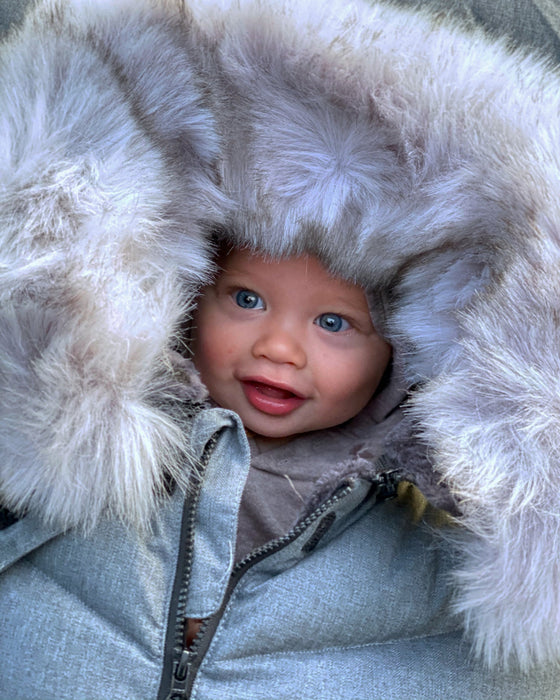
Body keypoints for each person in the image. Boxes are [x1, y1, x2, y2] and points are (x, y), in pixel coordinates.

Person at [2, 0, 560, 699]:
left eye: (334, 324)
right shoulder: (46, 473)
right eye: (245, 299)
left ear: (408, 350)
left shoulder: (437, 564)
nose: (278, 347)